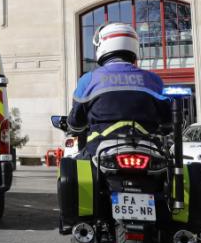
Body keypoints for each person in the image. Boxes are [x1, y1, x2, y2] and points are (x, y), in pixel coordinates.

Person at [67, 22, 173, 157]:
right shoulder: (153, 80)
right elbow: (167, 119)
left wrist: (72, 126)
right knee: (167, 168)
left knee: (72, 166)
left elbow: (77, 120)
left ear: (102, 45)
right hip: (147, 149)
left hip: (100, 150)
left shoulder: (89, 79)